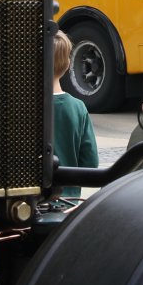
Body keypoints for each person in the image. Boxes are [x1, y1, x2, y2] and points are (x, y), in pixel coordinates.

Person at [50, 32, 99, 198]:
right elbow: (90, 163)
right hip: (68, 201)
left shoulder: (23, 108)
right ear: (67, 64)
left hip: (28, 202)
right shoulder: (78, 107)